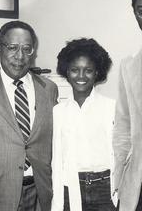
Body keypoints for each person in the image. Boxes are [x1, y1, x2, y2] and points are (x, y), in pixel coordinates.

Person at [0, 20, 58, 211]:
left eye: (26, 49)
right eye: (12, 48)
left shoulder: (49, 89)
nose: (20, 56)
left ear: (33, 52)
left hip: (41, 191)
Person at [51, 38, 116, 211]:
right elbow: (57, 161)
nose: (81, 76)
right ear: (66, 72)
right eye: (74, 70)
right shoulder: (58, 112)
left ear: (97, 73)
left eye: (88, 70)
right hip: (71, 188)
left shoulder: (111, 108)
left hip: (105, 190)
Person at [112, 0, 142, 211]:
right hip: (138, 181)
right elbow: (123, 127)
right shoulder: (128, 66)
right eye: (141, 10)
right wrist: (119, 178)